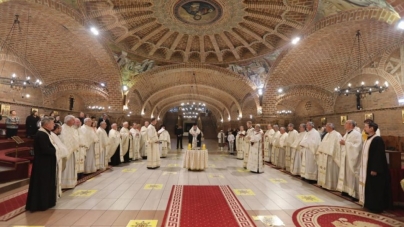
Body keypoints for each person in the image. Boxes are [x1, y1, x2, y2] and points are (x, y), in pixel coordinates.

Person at [359, 121, 392, 213]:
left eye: (366, 127)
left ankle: (376, 206)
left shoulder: (377, 140)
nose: (364, 128)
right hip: (368, 168)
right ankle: (369, 203)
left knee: (376, 188)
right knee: (370, 187)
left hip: (374, 169)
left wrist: (375, 169)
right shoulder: (368, 139)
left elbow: (378, 156)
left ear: (372, 128)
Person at [26, 117, 57, 212]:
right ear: (46, 124)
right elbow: (45, 149)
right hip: (43, 163)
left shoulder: (46, 133)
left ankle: (47, 202)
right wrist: (55, 149)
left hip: (46, 162)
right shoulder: (41, 134)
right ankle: (41, 204)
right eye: (52, 123)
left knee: (46, 182)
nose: (54, 125)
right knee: (42, 183)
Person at [337, 120, 362, 200]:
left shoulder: (357, 134)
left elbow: (357, 146)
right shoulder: (347, 133)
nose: (344, 125)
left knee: (351, 175)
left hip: (352, 158)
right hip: (346, 157)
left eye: (346, 123)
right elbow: (344, 143)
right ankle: (345, 190)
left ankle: (353, 193)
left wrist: (346, 144)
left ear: (351, 125)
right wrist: (341, 143)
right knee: (345, 174)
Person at [316, 123, 342, 190]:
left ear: (330, 127)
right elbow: (323, 143)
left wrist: (329, 151)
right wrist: (320, 150)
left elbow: (337, 146)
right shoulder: (327, 134)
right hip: (324, 155)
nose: (325, 128)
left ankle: (331, 185)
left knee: (330, 171)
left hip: (331, 156)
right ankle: (324, 184)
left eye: (326, 127)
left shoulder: (337, 134)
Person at [60, 115, 79, 189]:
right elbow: (63, 140)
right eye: (73, 120)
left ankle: (71, 182)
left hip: (72, 151)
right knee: (66, 167)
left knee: (71, 167)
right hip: (66, 152)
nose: (74, 122)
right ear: (67, 120)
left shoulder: (72, 129)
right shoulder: (63, 128)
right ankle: (64, 183)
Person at [50, 123, 69, 198]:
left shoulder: (55, 136)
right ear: (56, 129)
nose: (61, 130)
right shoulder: (52, 135)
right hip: (55, 158)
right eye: (60, 129)